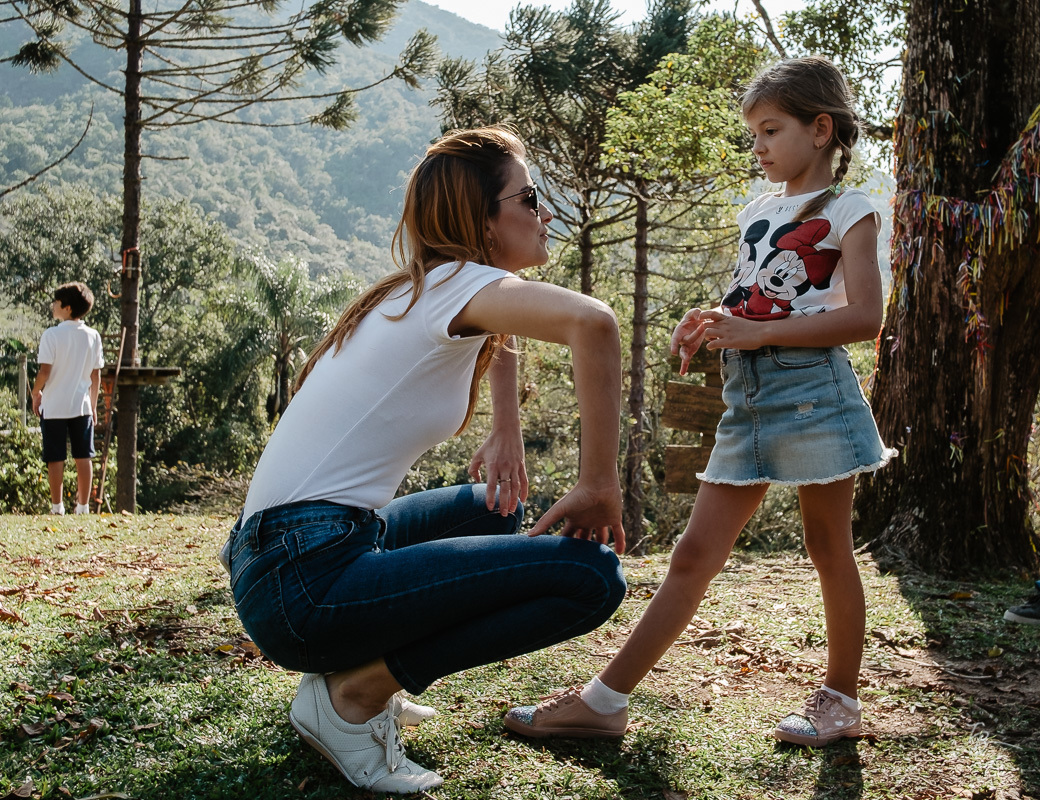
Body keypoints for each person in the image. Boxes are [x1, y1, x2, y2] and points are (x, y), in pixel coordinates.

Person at [505, 56, 896, 748]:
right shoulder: (759, 211)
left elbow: (866, 317)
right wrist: (712, 318)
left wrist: (760, 330)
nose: (759, 146)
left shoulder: (849, 211)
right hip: (745, 399)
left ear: (821, 128)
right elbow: (759, 298)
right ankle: (605, 701)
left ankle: (840, 703)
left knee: (828, 546)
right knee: (692, 556)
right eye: (754, 134)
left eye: (771, 130)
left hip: (812, 394)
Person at [223, 126, 628, 793]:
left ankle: (347, 675)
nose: (545, 211)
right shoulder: (453, 290)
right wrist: (598, 483)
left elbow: (498, 328)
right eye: (529, 199)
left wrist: (505, 428)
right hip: (302, 583)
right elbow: (595, 323)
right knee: (592, 579)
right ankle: (355, 695)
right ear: (485, 222)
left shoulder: (420, 288)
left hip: (282, 556)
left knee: (495, 510)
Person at [31, 281, 104, 516]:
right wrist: (93, 406)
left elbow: (44, 372)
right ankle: (83, 507)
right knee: (84, 456)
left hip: (53, 406)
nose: (53, 305)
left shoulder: (51, 335)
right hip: (81, 405)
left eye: (57, 302)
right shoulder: (93, 336)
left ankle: (57, 507)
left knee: (55, 457)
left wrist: (35, 393)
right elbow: (96, 374)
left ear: (68, 308)